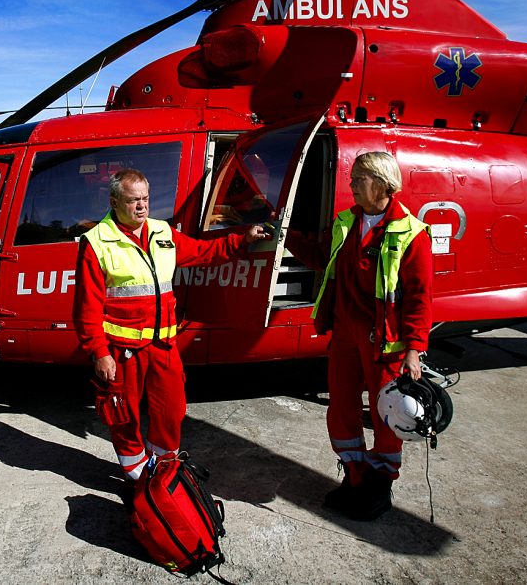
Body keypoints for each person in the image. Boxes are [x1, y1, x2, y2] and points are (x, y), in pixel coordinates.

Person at [74, 168, 269, 485]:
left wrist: (240, 240)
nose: (141, 206)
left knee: (171, 411)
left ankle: (163, 470)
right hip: (122, 351)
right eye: (133, 200)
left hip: (163, 347)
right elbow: (86, 307)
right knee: (123, 416)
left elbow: (204, 252)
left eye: (146, 199)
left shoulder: (162, 233)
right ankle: (136, 476)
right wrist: (99, 353)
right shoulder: (96, 243)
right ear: (114, 201)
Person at [288, 151, 432, 521]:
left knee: (387, 416)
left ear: (383, 184)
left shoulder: (411, 233)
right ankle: (354, 475)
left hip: (383, 340)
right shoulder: (345, 222)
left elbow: (419, 298)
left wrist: (414, 350)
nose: (351, 185)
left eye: (358, 179)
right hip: (346, 334)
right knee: (342, 407)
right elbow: (323, 257)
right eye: (352, 179)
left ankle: (380, 484)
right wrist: (286, 236)